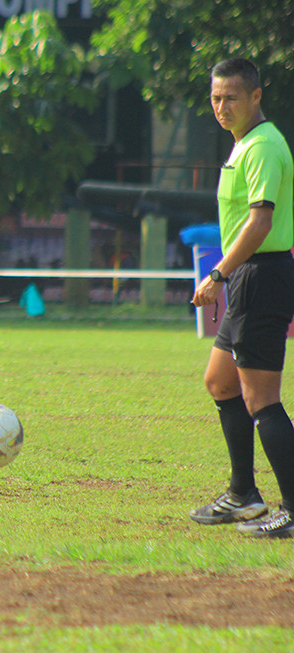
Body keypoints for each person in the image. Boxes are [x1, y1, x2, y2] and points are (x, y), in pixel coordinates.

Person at [189, 58, 294, 538]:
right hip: (248, 278)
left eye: (231, 97)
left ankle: (292, 510)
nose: (221, 106)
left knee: (261, 399)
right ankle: (243, 495)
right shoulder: (244, 145)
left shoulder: (264, 146)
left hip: (261, 276)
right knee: (221, 382)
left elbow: (261, 222)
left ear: (256, 96)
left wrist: (217, 273)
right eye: (215, 97)